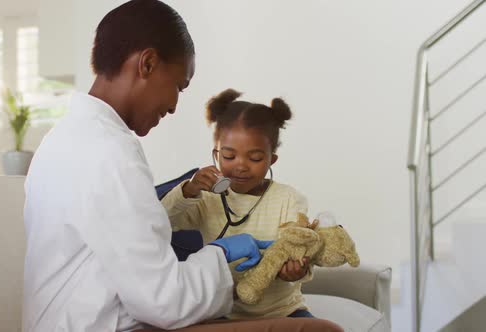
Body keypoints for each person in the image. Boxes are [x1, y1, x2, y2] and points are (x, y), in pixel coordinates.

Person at [22, 1, 273, 331]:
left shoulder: (62, 139)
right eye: (178, 87)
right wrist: (220, 255)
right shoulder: (109, 152)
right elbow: (165, 301)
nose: (172, 106)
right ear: (148, 63)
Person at [161, 88, 323, 320]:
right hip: (222, 314)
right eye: (229, 156)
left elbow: (302, 250)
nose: (241, 166)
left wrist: (296, 271)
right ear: (216, 153)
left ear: (271, 159)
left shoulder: (289, 199)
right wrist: (189, 189)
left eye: (255, 158)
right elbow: (160, 221)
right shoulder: (206, 197)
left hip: (281, 312)